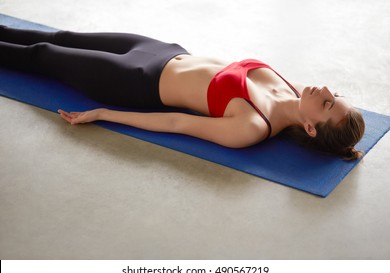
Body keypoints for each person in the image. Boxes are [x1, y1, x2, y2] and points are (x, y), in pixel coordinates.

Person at [0, 26, 365, 160]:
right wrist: (348, 147)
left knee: (41, 56)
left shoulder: (251, 127)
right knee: (60, 37)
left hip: (133, 81)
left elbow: (176, 122)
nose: (326, 91)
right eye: (337, 93)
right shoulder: (296, 91)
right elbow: (338, 136)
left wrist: (102, 114)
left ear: (312, 128)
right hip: (160, 49)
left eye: (329, 103)